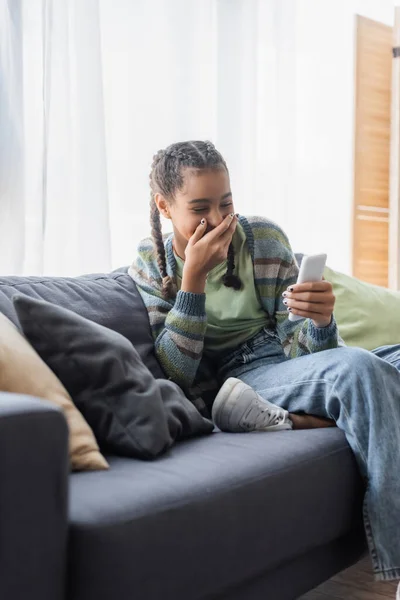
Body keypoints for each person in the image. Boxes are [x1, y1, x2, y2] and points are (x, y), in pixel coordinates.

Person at [129, 140, 400, 592]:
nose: (218, 220)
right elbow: (177, 372)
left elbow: (309, 356)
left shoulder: (265, 240)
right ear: (164, 205)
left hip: (286, 362)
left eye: (226, 202)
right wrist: (192, 281)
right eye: (200, 208)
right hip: (238, 378)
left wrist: (320, 321)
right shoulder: (150, 266)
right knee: (359, 371)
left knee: (366, 366)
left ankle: (290, 421)